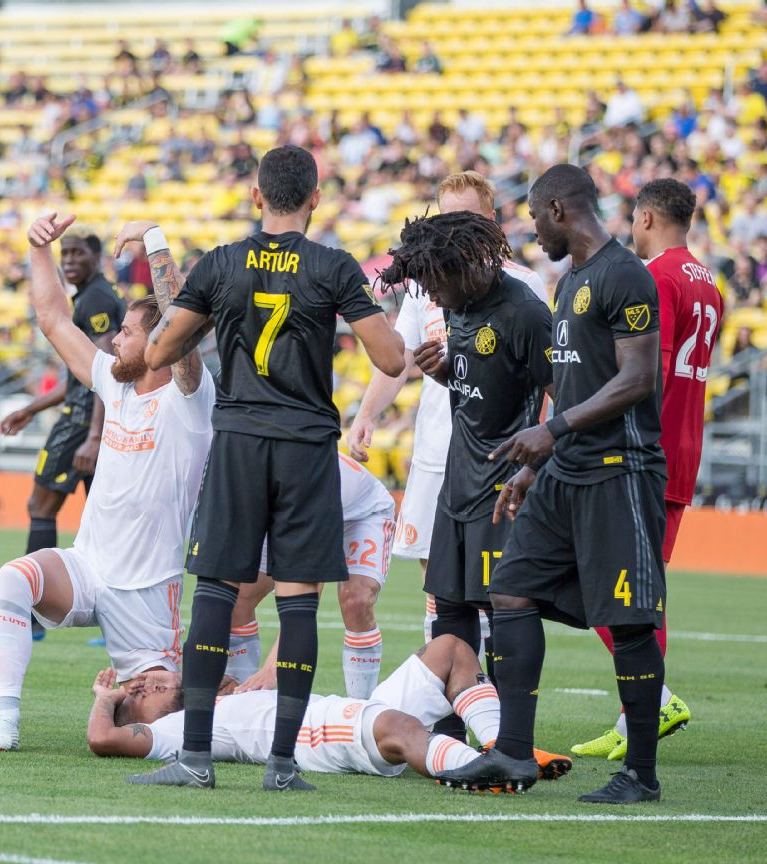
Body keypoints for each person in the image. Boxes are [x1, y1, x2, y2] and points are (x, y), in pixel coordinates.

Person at [129, 144, 406, 791]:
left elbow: (160, 347)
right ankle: (282, 765)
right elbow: (391, 359)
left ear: (255, 198)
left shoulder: (222, 263)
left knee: (217, 592)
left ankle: (194, 758)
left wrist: (210, 310)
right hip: (307, 447)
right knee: (299, 603)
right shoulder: (333, 266)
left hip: (239, 441)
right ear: (315, 199)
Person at [436, 164, 668, 804]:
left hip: (619, 472)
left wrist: (552, 431)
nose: (533, 233)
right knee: (509, 591)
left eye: (536, 219)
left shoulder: (627, 275)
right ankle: (512, 751)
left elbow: (637, 379)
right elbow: (570, 383)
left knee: (628, 624)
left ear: (560, 209)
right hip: (562, 473)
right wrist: (535, 466)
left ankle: (641, 774)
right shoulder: (570, 286)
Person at [0, 214, 214, 752]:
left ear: (160, 342)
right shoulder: (117, 384)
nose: (112, 339)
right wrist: (39, 250)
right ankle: (5, 721)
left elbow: (184, 322)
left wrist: (155, 239)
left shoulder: (189, 399)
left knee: (154, 718)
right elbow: (55, 320)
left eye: (126, 332)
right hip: (89, 567)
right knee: (14, 578)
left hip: (148, 593)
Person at [348, 171, 547, 656]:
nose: (455, 230)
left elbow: (544, 374)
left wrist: (537, 450)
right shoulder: (424, 285)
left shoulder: (525, 285)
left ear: (492, 221)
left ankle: (494, 706)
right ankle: (453, 699)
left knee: (497, 588)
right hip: (437, 452)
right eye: (447, 218)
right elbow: (402, 359)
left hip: (499, 454)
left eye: (467, 218)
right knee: (437, 586)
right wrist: (367, 414)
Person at [571, 179, 718, 759]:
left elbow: (647, 373)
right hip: (685, 447)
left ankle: (652, 703)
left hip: (646, 451)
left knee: (617, 587)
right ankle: (638, 710)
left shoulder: (654, 277)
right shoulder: (709, 283)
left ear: (648, 217)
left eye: (633, 217)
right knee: (637, 583)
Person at [383, 212, 553, 708]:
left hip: (503, 487)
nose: (432, 299)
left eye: (436, 284)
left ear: (463, 267)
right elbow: (478, 387)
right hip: (456, 483)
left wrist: (531, 470)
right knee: (449, 610)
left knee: (505, 608)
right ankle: (459, 720)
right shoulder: (458, 307)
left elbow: (561, 401)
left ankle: (510, 731)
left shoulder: (525, 311)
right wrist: (442, 374)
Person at [87, 636, 572, 785]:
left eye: (146, 679)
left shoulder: (217, 692)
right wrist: (106, 700)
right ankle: (478, 771)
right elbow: (103, 740)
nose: (146, 683)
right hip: (312, 736)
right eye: (138, 694)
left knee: (450, 650)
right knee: (398, 728)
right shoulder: (175, 730)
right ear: (143, 720)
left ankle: (501, 748)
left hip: (340, 710)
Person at [0, 223, 125, 578]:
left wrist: (95, 435)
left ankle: (34, 610)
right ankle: (115, 617)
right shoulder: (91, 295)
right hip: (92, 419)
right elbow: (82, 374)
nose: (68, 260)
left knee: (41, 505)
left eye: (77, 252)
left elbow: (107, 370)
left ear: (96, 257)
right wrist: (30, 409)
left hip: (83, 422)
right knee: (103, 520)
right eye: (64, 253)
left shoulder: (96, 299)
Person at [226, 453, 395, 700]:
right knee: (239, 598)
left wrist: (273, 667)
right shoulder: (242, 460)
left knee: (355, 601)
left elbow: (308, 587)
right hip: (297, 507)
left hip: (362, 512)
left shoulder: (306, 477)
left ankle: (360, 708)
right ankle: (241, 700)